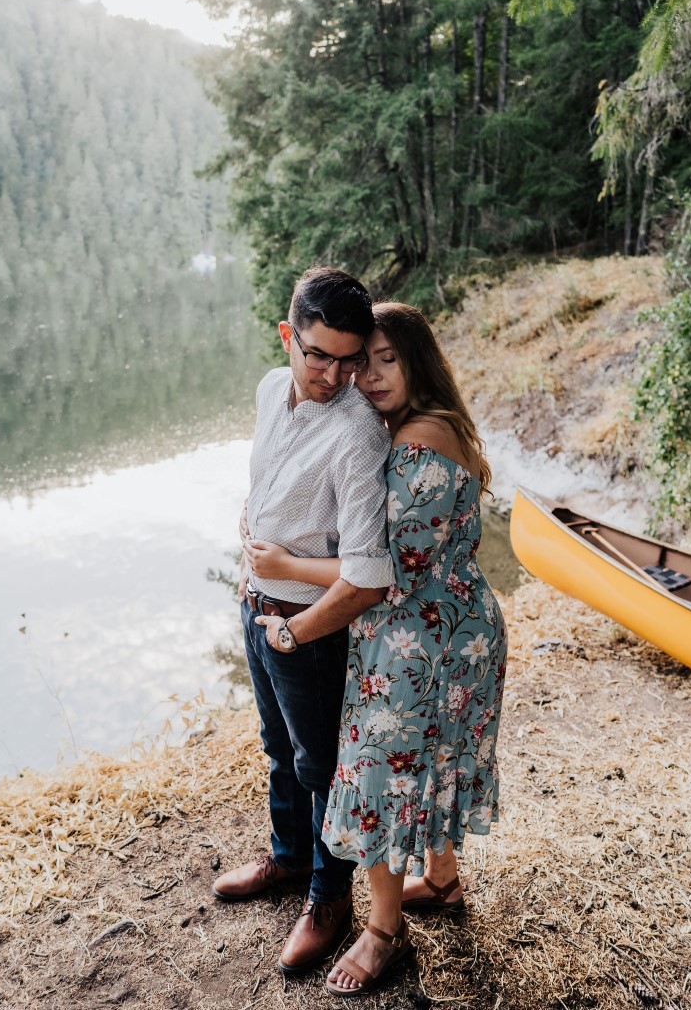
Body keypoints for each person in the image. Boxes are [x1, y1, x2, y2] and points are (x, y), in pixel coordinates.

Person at [249, 302, 508, 996]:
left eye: (385, 358)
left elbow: (383, 568)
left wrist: (287, 567)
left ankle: (384, 932)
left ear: (417, 359)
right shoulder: (431, 425)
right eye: (360, 360)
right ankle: (444, 881)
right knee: (435, 759)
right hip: (451, 626)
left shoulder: (418, 446)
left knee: (375, 777)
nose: (366, 375)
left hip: (422, 639)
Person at [212, 268, 395, 977]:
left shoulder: (357, 434)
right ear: (288, 336)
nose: (335, 374)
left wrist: (294, 617)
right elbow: (266, 482)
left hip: (308, 625)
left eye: (349, 359)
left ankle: (329, 897)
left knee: (321, 765)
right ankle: (287, 859)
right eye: (317, 354)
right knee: (275, 747)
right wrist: (250, 546)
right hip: (253, 604)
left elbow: (367, 573)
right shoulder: (267, 388)